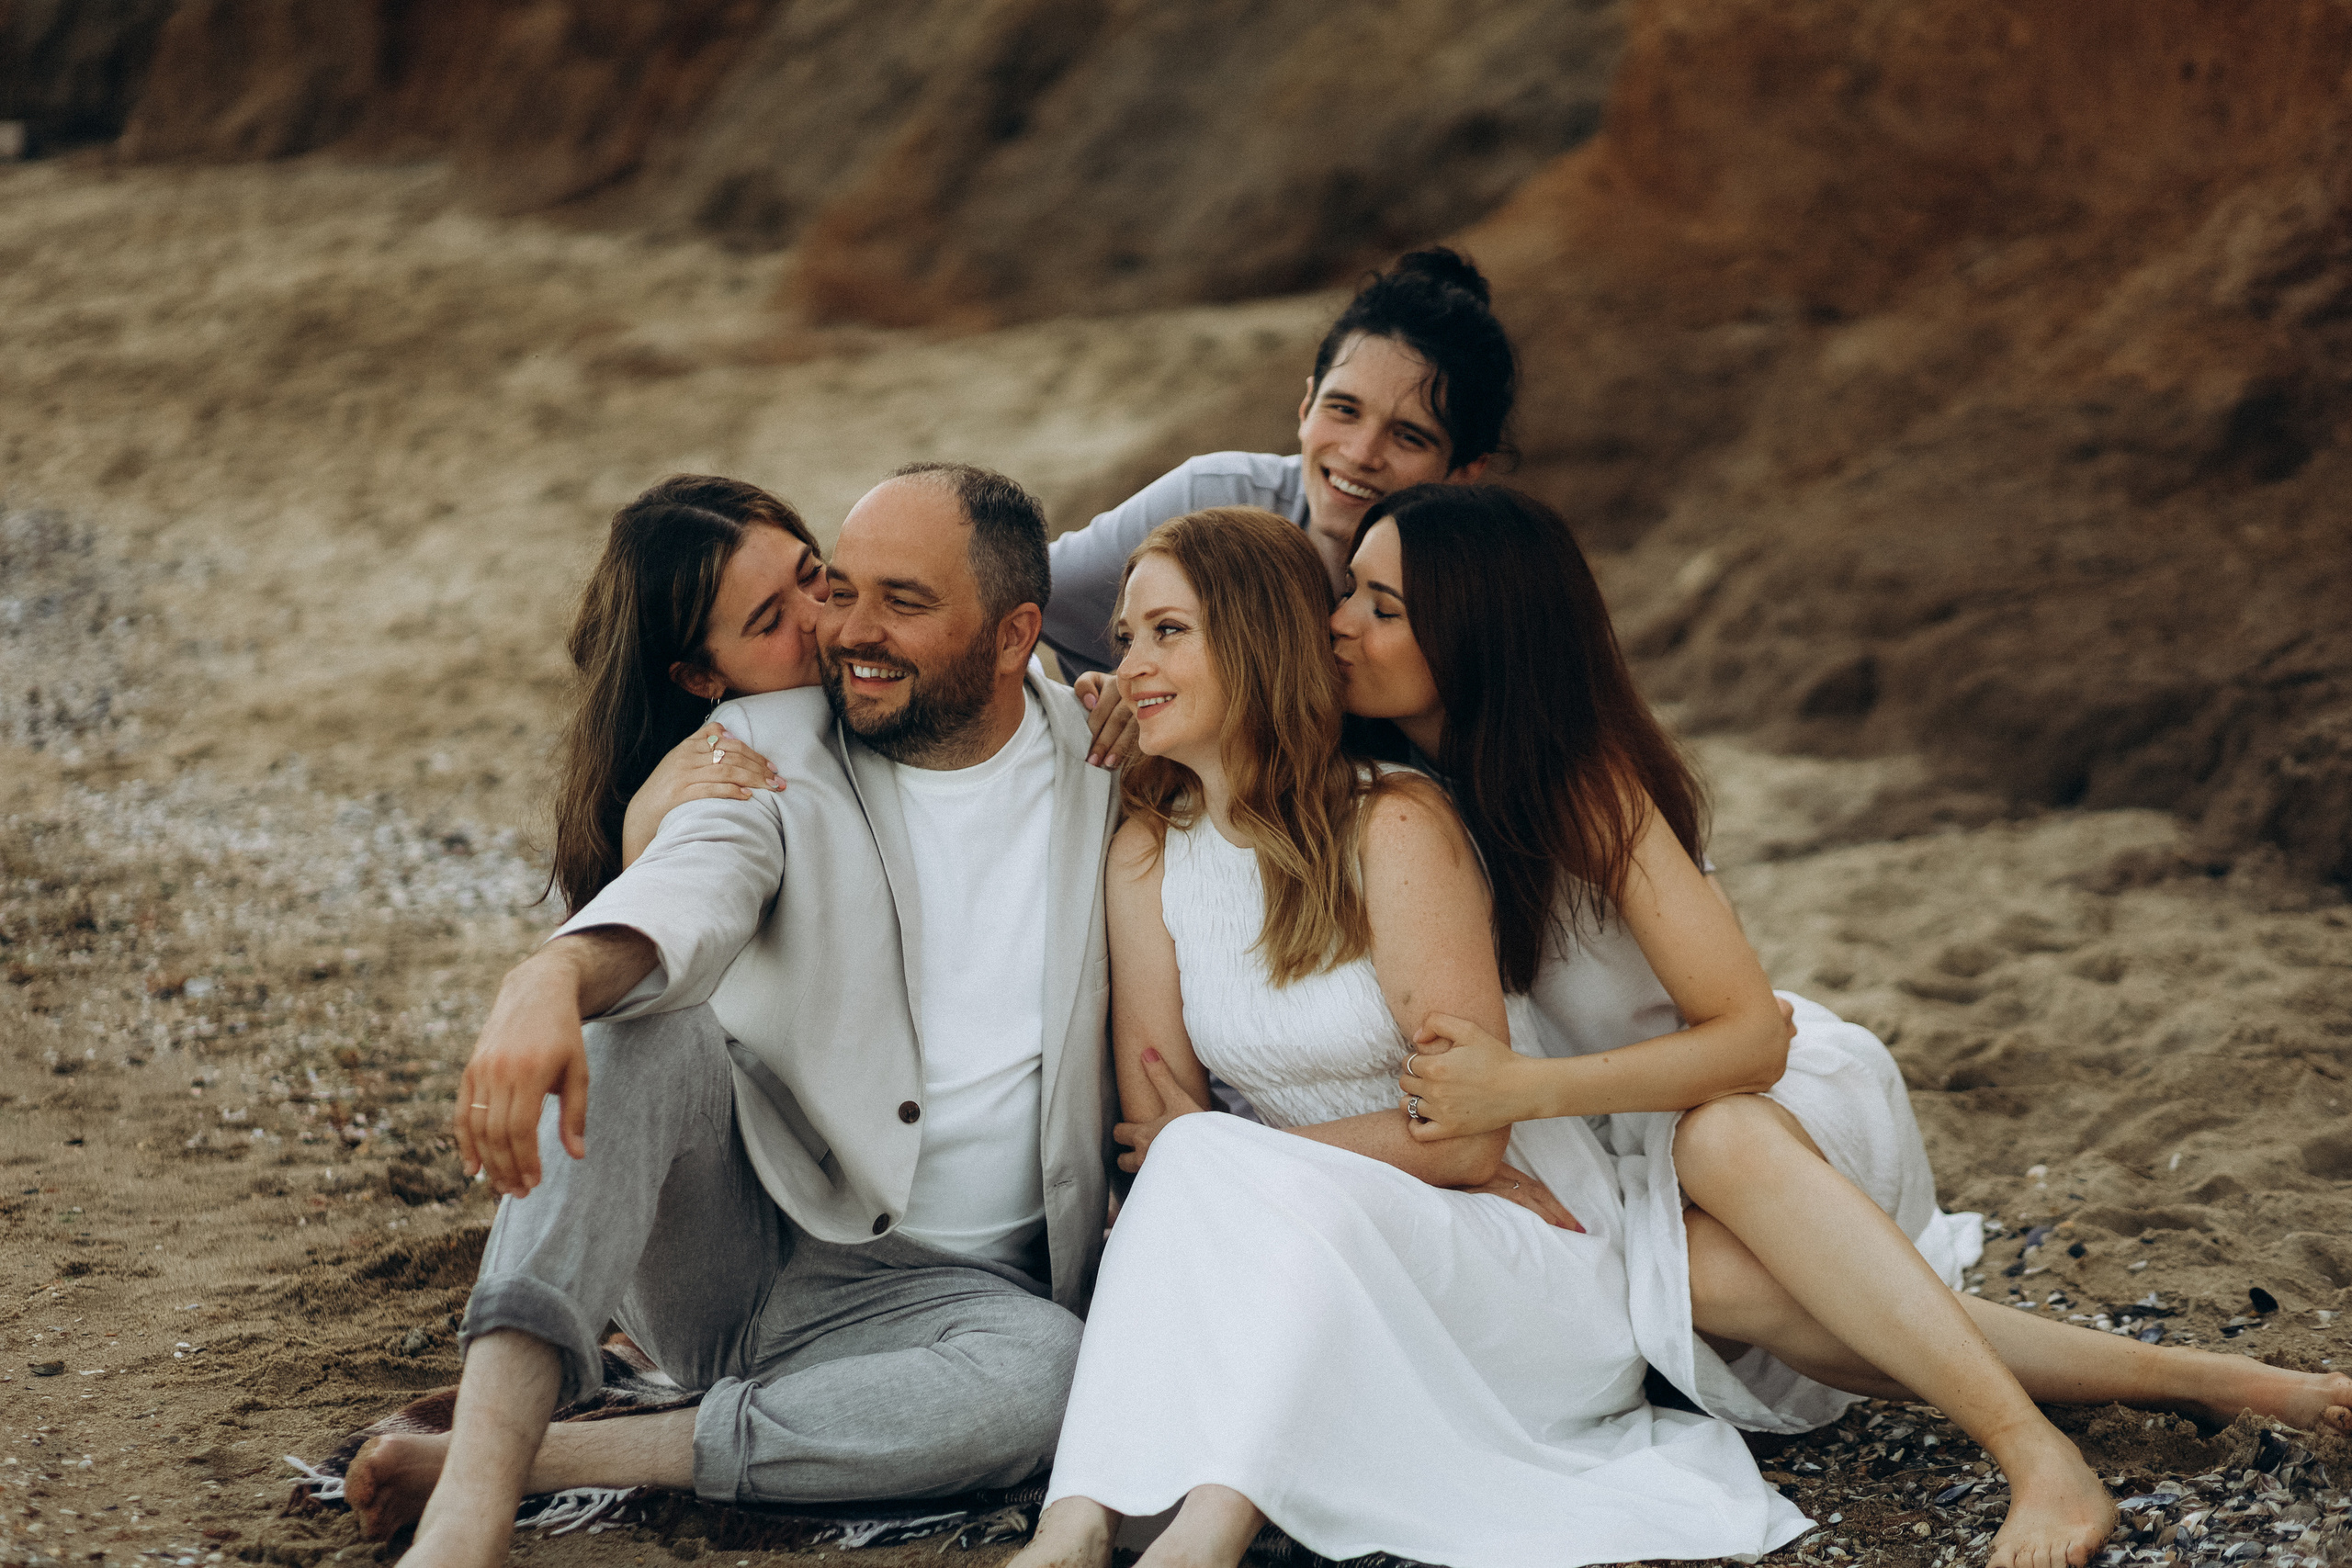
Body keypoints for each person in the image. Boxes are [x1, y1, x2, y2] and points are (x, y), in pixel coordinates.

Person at [1337, 483, 2352, 1568]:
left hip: (1760, 1104)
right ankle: (2201, 1380)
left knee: (1716, 1136)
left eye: (1382, 605)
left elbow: (1746, 1038)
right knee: (1715, 1286)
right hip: (1625, 1153)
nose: (1341, 620)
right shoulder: (1394, 792)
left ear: (1479, 633)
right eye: (1348, 589)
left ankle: (2036, 1458)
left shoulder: (1584, 789)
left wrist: (1522, 1093)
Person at [345, 464, 1122, 1568]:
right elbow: (694, 891)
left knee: (1048, 1380)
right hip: (742, 1239)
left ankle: (551, 1456)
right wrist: (552, 978)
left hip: (957, 1303)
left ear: (1013, 637)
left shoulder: (1109, 768)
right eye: (835, 590)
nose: (844, 629)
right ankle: (470, 1512)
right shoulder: (768, 746)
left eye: (896, 602)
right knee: (643, 1029)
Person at [1010, 507, 1808, 1568]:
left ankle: (1202, 1534)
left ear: (1252, 644)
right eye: (1122, 639)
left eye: (1168, 632)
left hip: (1513, 1250)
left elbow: (1467, 1144)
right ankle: (1075, 1525)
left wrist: (1232, 1160)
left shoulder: (1393, 822)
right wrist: (1224, 1163)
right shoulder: (1150, 856)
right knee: (1204, 1173)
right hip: (1314, 1242)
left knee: (1206, 1163)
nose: (1132, 663)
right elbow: (1163, 1127)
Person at [1043, 247, 1513, 746]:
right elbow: (1021, 595)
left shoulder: (1484, 597)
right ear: (1307, 405)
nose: (1360, 453)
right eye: (1344, 409)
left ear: (1464, 472)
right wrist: (1122, 690)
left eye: (1409, 436)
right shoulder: (1217, 501)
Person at [544, 473, 828, 915]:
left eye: (811, 574)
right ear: (700, 678)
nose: (820, 615)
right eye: (771, 621)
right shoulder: (721, 788)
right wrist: (641, 835)